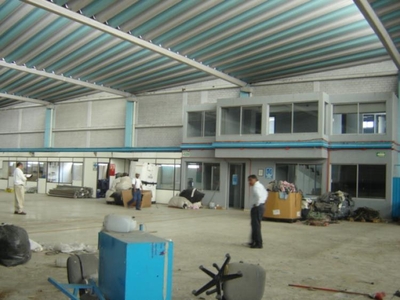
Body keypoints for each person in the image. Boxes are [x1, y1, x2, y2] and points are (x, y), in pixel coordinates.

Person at [248, 175, 268, 249]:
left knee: (256, 226)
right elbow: (266, 193)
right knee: (255, 225)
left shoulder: (256, 187)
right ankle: (254, 240)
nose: (249, 182)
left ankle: (258, 243)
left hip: (257, 207)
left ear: (255, 179)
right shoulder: (260, 185)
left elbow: (258, 196)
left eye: (250, 180)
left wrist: (256, 204)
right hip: (261, 206)